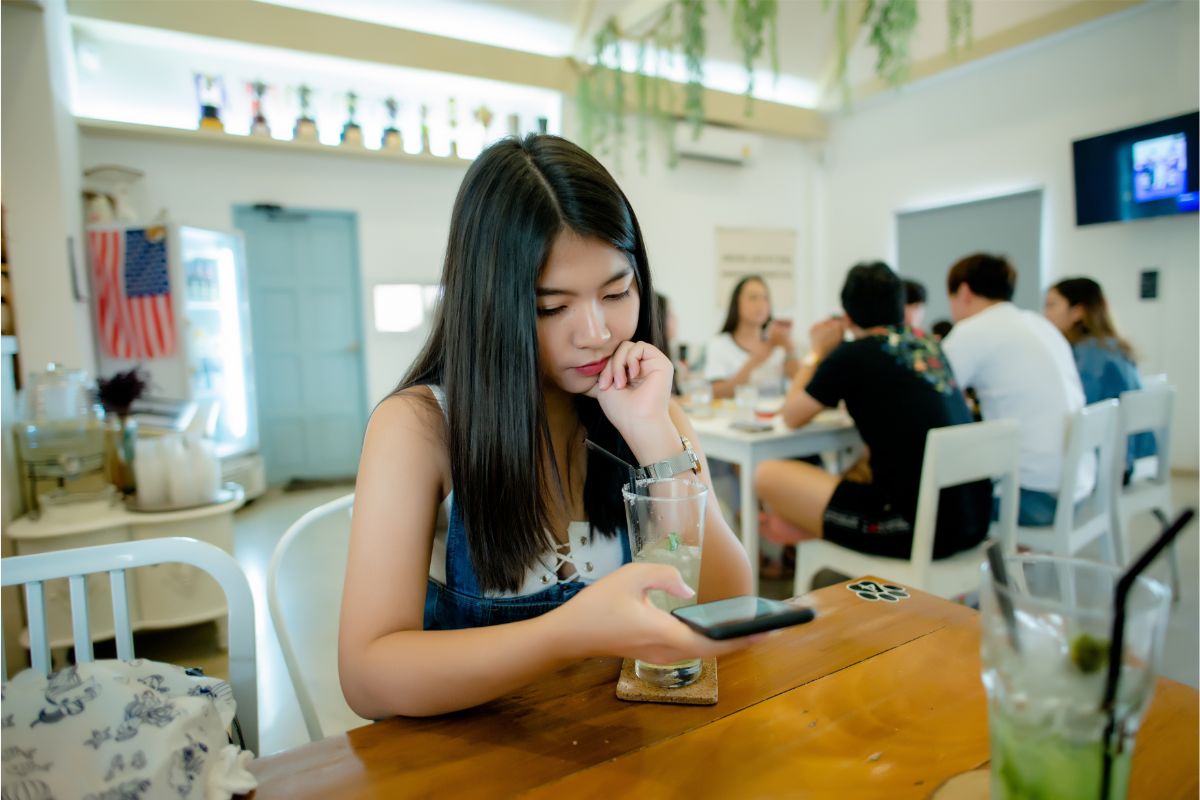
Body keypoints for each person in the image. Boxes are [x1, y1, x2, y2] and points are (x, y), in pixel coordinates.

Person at [339, 135, 755, 719]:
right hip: (469, 761)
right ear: (488, 303)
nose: (596, 331)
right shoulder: (418, 429)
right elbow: (368, 677)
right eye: (551, 307)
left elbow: (729, 604)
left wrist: (653, 437)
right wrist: (567, 633)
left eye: (616, 292)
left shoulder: (646, 405)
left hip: (618, 749)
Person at [753, 262, 991, 567]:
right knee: (860, 463)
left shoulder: (853, 354)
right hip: (974, 518)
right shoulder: (928, 345)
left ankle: (814, 531)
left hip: (915, 526)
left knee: (767, 474)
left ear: (848, 317)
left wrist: (818, 352)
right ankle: (816, 530)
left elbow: (791, 415)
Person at [940, 253, 1092, 526]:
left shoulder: (971, 331)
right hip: (1077, 487)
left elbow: (931, 397)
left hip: (1033, 498)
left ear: (963, 291)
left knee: (930, 496)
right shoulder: (1039, 324)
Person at [1043, 277, 1155, 474]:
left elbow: (1077, 411)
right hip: (1133, 456)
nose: (1045, 314)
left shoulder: (1089, 354)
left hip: (1112, 464)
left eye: (1051, 305)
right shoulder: (1108, 345)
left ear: (1077, 312)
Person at [703, 276, 798, 399]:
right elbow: (717, 393)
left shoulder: (777, 343)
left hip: (775, 415)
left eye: (765, 298)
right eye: (753, 298)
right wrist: (755, 360)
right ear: (737, 303)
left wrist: (789, 347)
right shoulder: (720, 344)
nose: (761, 304)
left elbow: (801, 384)